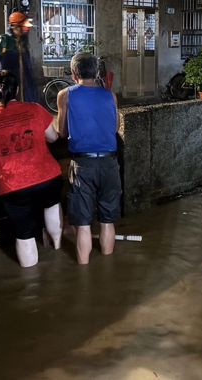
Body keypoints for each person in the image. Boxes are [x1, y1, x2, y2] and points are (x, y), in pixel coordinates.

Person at [0, 70, 62, 267]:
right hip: (48, 176)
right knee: (51, 206)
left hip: (14, 185)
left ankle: (31, 282)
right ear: (17, 89)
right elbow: (53, 137)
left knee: (24, 233)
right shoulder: (35, 109)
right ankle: (57, 248)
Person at [55, 53, 121, 265]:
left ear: (74, 74)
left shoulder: (65, 95)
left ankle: (84, 274)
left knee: (83, 224)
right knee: (107, 220)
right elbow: (114, 127)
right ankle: (108, 269)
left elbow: (62, 131)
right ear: (97, 73)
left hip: (83, 165)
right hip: (110, 163)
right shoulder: (110, 96)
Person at [0, 11, 38, 102]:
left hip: (25, 85)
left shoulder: (23, 42)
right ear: (15, 26)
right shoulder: (3, 40)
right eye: (24, 27)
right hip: (8, 84)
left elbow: (27, 65)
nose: (26, 30)